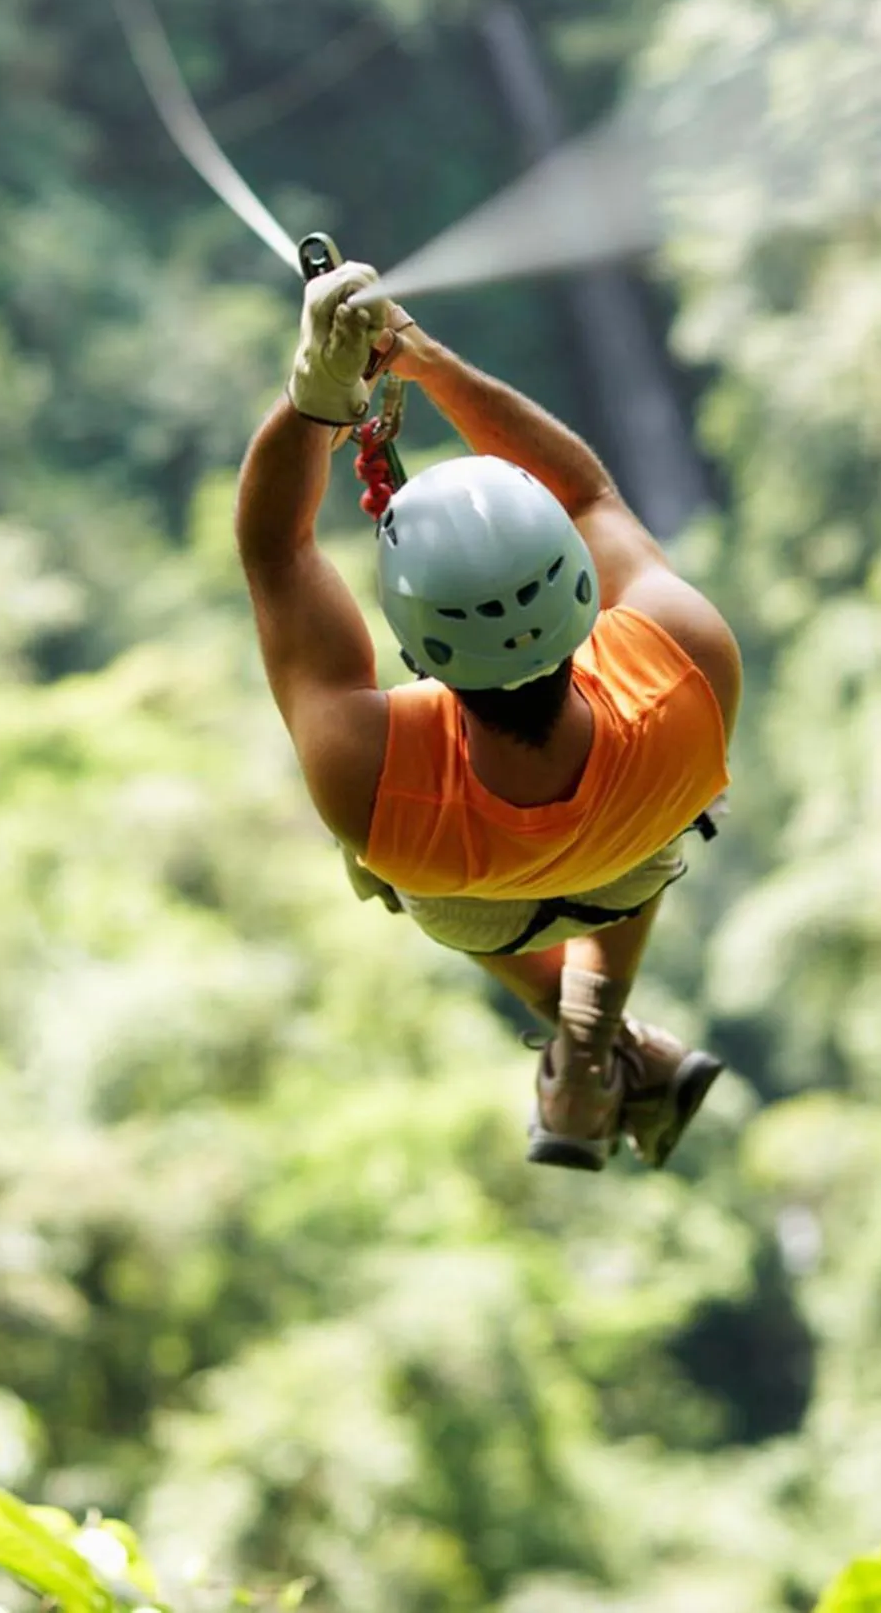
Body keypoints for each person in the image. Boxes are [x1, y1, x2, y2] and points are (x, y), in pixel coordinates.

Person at [234, 261, 742, 1171]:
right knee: (648, 823)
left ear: (417, 649)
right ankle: (591, 1044)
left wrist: (314, 394)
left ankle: (586, 1047)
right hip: (632, 861)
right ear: (581, 586)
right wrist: (428, 364)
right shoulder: (685, 666)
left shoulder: (370, 773)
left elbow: (278, 553)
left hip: (482, 914)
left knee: (386, 865)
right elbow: (589, 496)